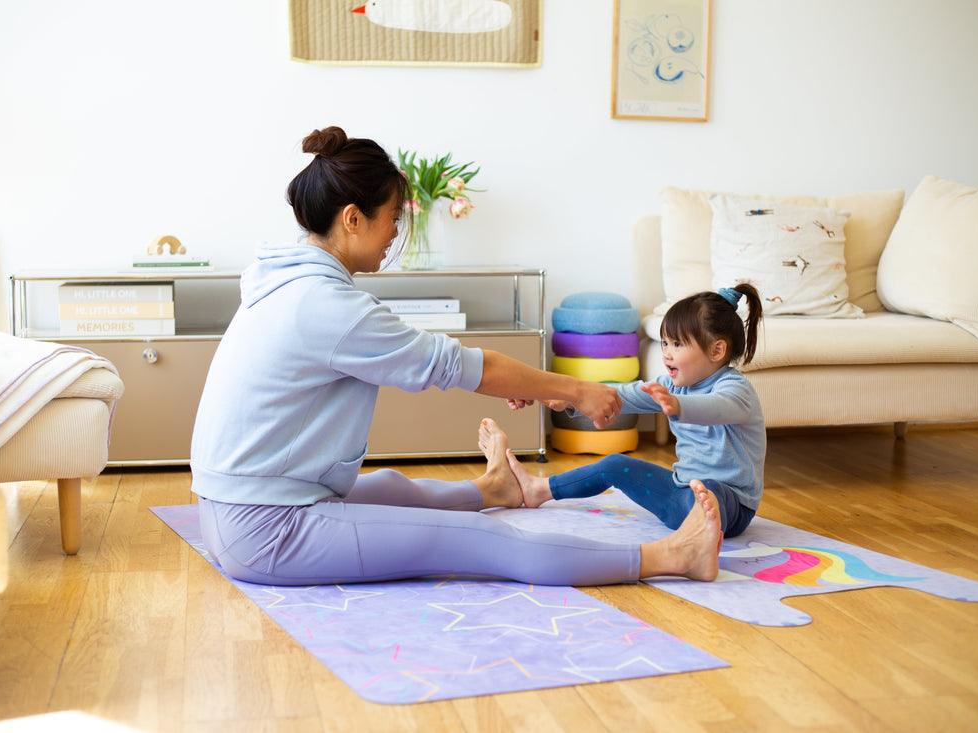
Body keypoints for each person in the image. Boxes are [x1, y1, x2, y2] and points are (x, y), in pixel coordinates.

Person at [189, 125, 723, 588]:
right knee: (478, 538)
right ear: (352, 218)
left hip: (232, 512)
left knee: (391, 489)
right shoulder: (326, 305)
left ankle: (493, 487)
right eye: (392, 217)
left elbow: (456, 365)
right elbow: (465, 367)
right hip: (268, 529)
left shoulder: (285, 282)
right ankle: (672, 555)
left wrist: (530, 385)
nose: (397, 230)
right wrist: (577, 390)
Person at [504, 285, 765, 539]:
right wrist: (569, 399)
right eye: (664, 343)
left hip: (731, 506)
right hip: (681, 494)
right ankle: (540, 489)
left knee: (710, 491)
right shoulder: (670, 386)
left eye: (677, 344)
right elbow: (617, 396)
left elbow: (717, 408)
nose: (667, 354)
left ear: (716, 350)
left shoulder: (736, 389)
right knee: (614, 464)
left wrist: (678, 406)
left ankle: (699, 534)